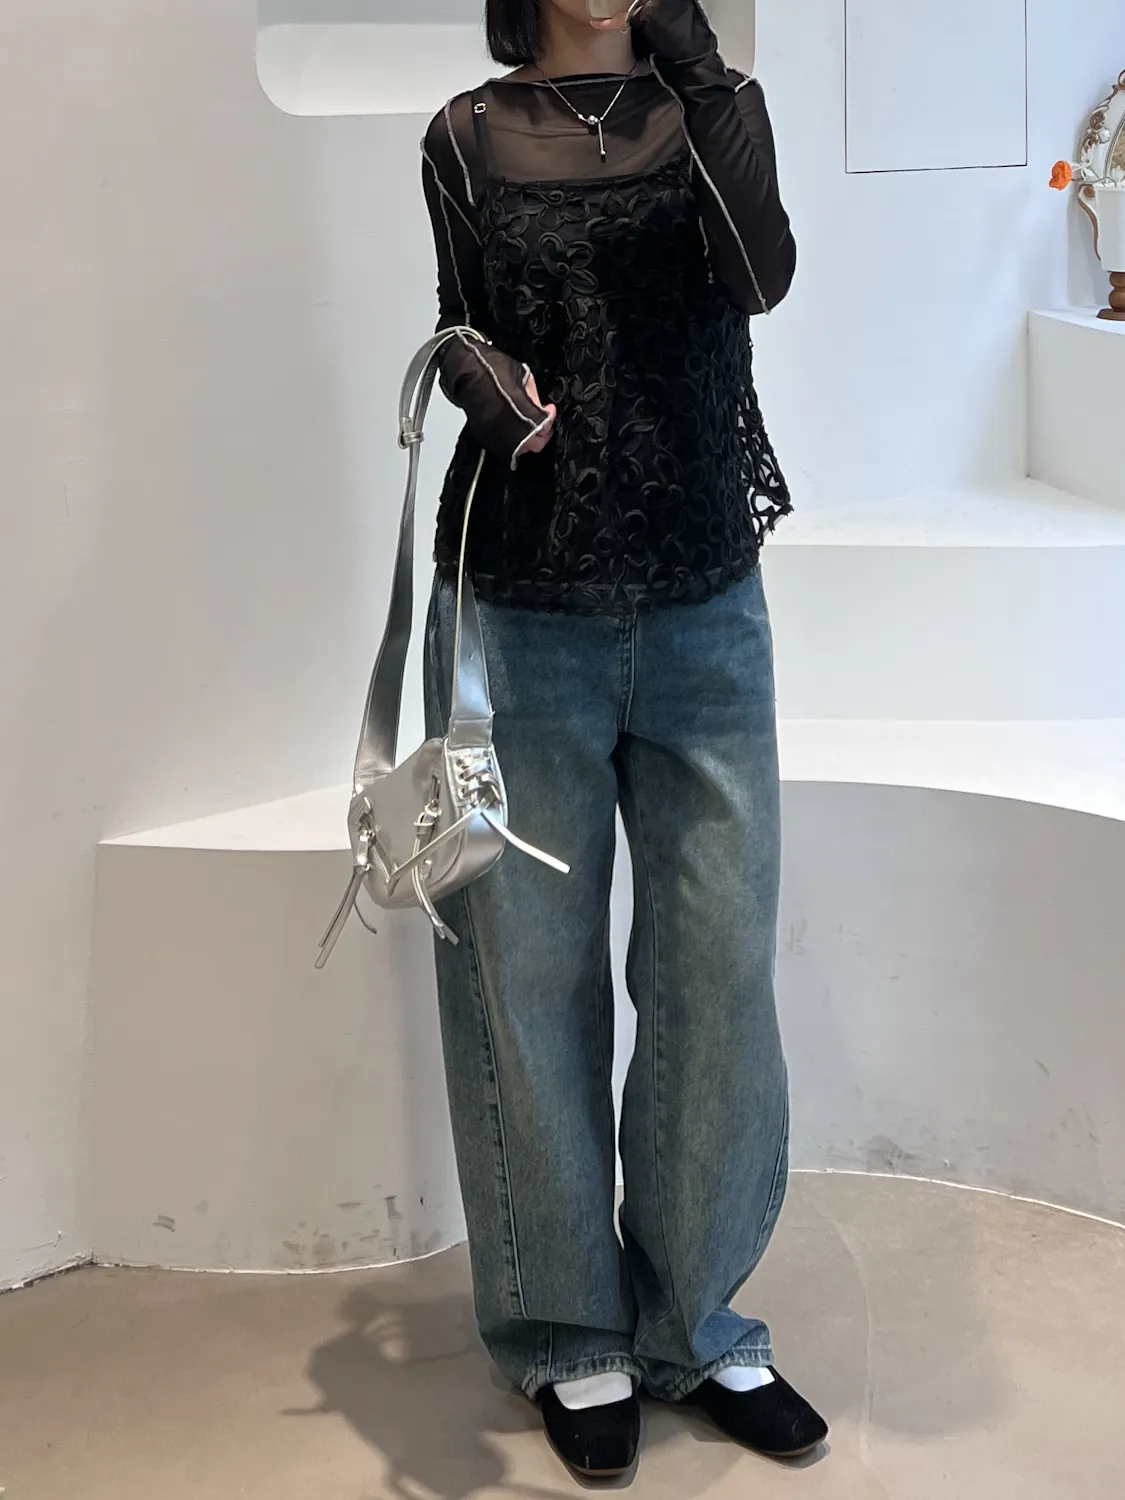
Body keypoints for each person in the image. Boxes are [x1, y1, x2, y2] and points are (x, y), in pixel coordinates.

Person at [419, 0, 827, 1477]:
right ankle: (566, 1333)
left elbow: (760, 275)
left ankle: (693, 1321)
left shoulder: (717, 107)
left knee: (716, 970)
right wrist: (478, 380)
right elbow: (459, 318)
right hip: (523, 607)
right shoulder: (465, 135)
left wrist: (699, 69)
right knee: (526, 974)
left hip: (708, 599)